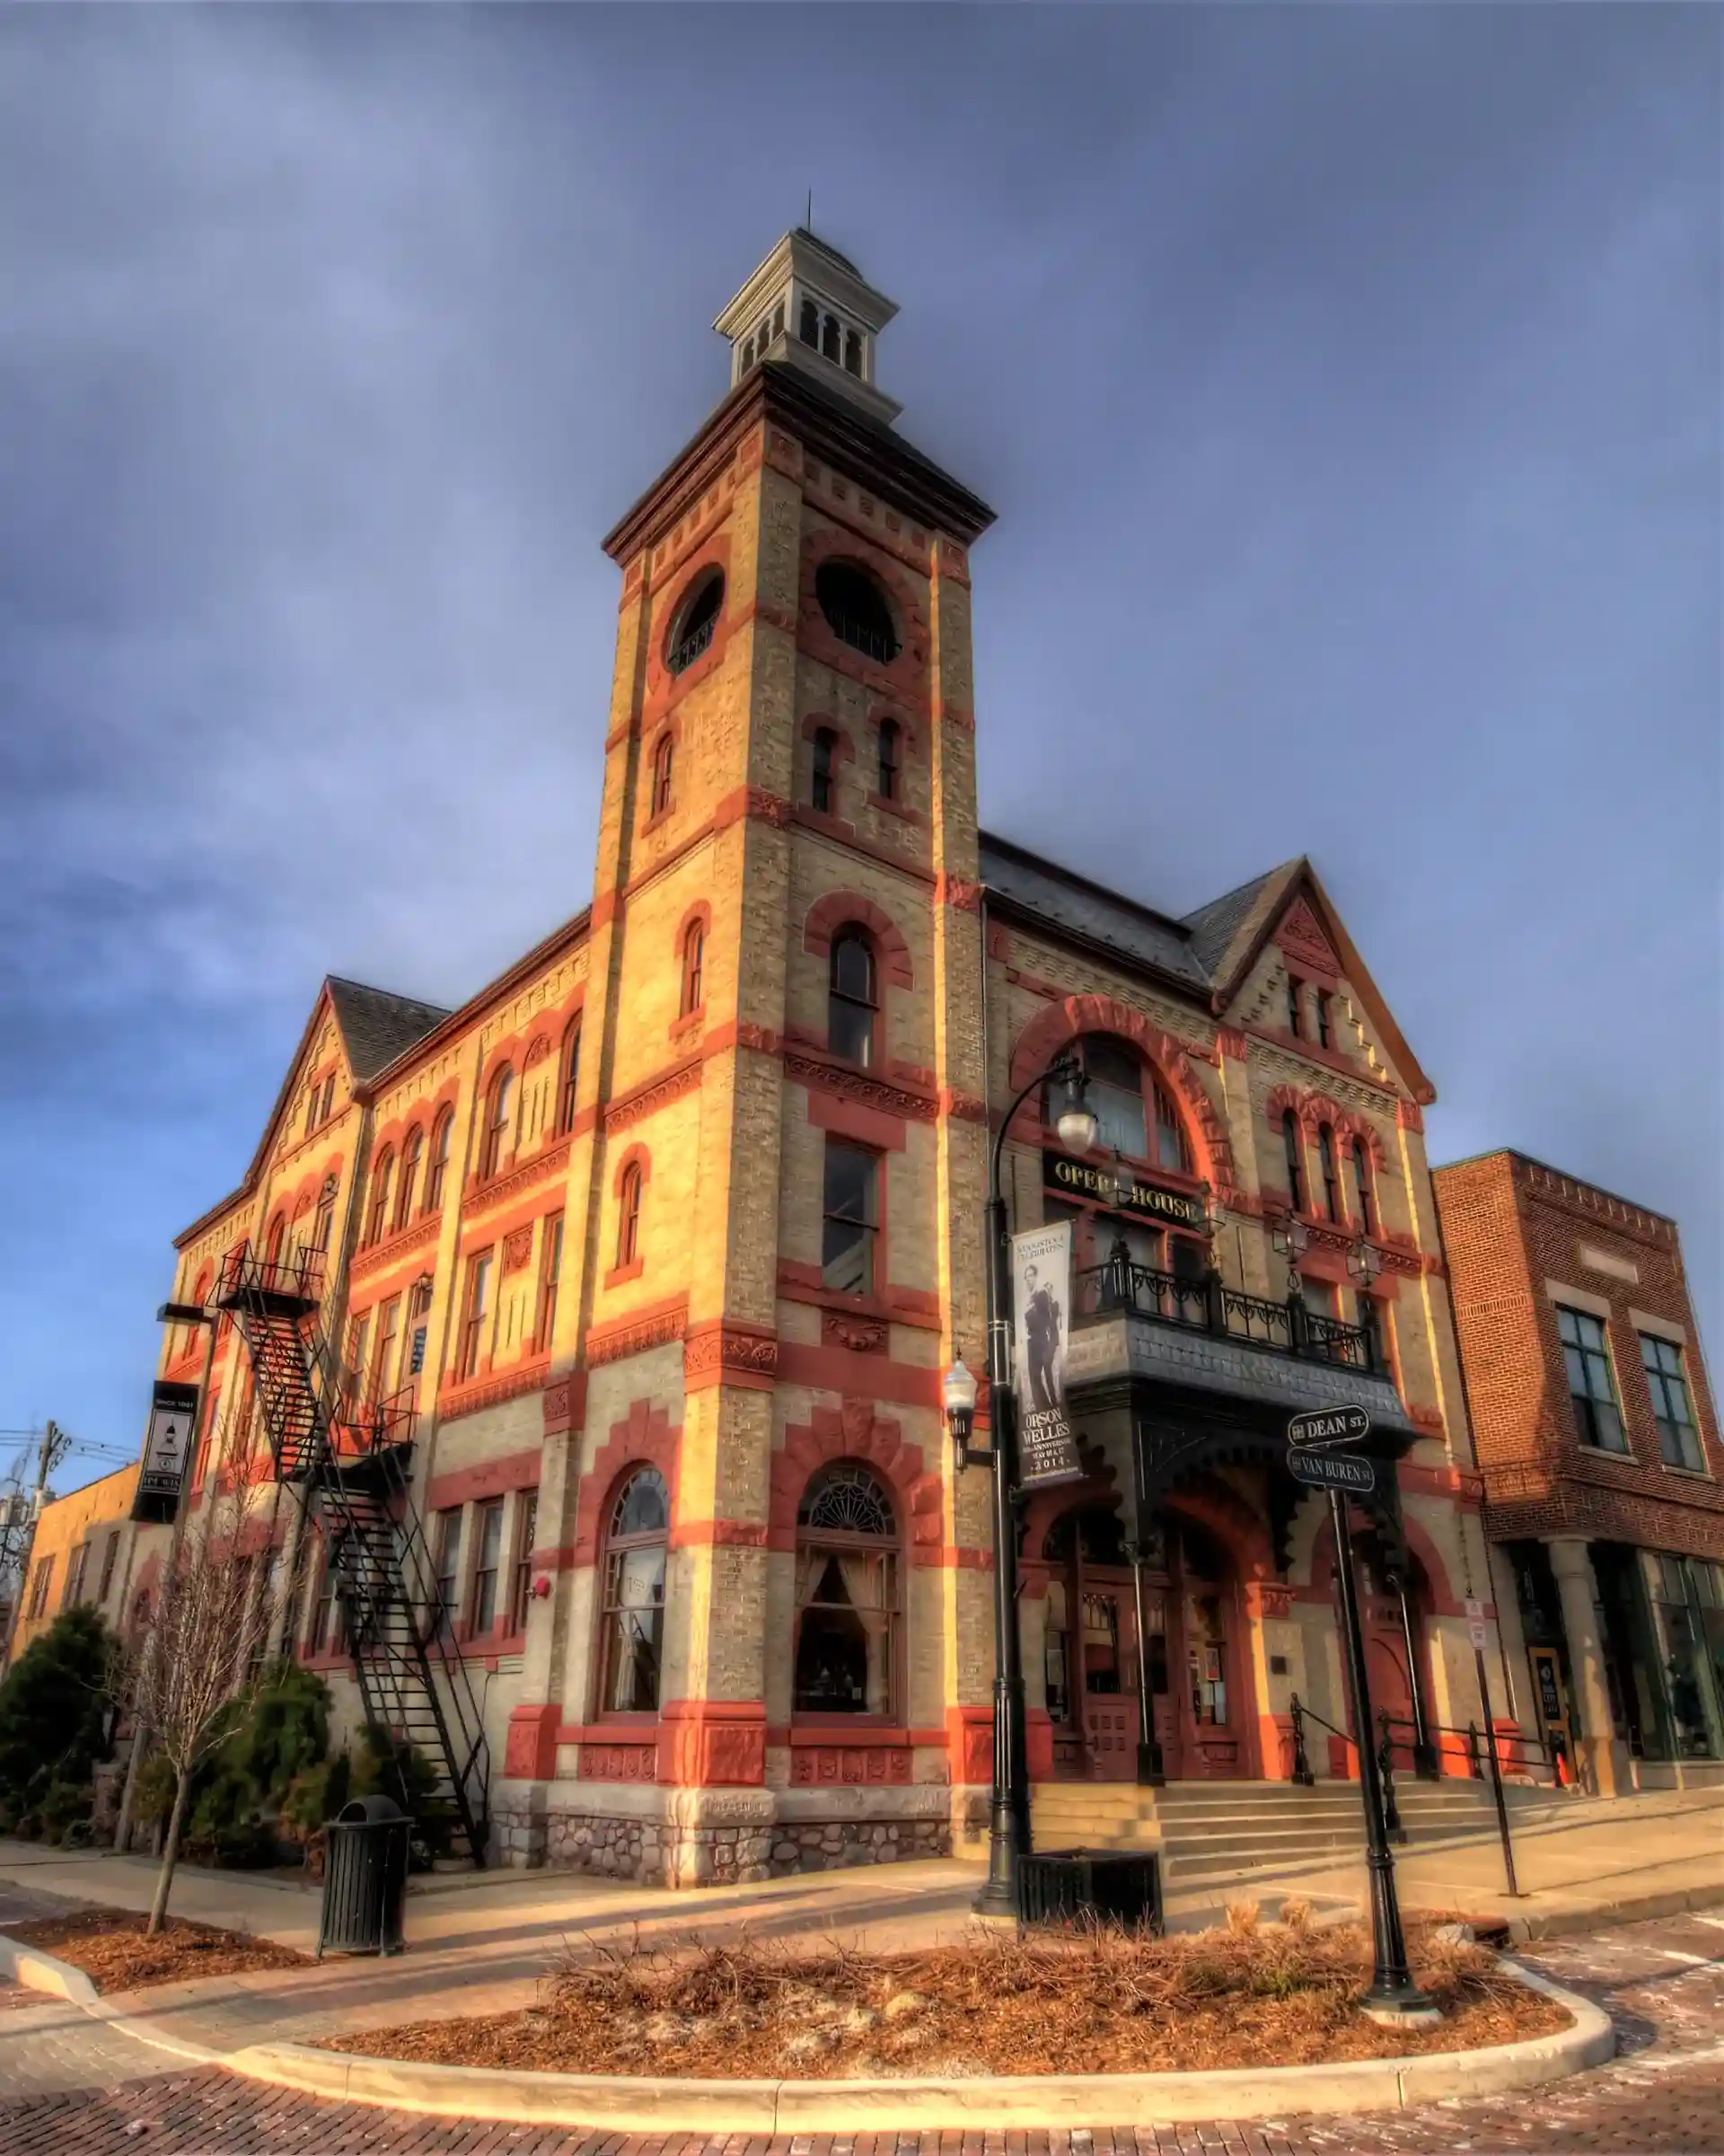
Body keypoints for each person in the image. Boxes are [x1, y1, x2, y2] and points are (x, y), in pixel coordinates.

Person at [1022, 1261, 1063, 1412]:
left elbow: (1045, 1317)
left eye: (1031, 1276)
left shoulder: (1041, 1295)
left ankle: (1051, 1404)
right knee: (1035, 1377)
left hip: (1042, 1340)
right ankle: (1044, 1406)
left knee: (1046, 1374)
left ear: (1036, 1276)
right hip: (1032, 1341)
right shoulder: (1029, 1299)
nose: (1028, 1279)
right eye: (1026, 1277)